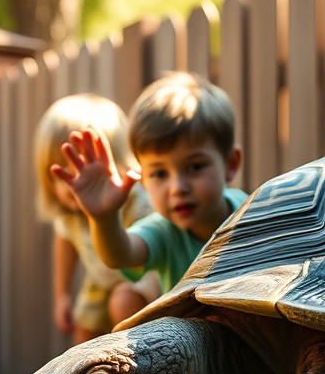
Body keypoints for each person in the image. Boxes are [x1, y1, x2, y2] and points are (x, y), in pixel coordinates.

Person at [51, 72, 246, 295]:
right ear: (143, 179)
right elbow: (120, 254)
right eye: (160, 174)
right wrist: (103, 218)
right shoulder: (163, 232)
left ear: (230, 164)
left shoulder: (250, 211)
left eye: (194, 167)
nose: (177, 188)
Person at [35, 94, 161, 344]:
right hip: (99, 281)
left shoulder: (136, 202)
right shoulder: (70, 214)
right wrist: (62, 295)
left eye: (88, 173)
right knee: (83, 331)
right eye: (64, 175)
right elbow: (65, 244)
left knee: (123, 305)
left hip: (142, 280)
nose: (78, 185)